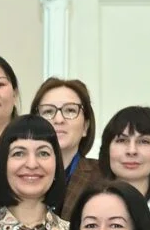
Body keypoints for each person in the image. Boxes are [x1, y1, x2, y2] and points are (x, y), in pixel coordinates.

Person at [32, 77, 103, 218]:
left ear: (85, 126)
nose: (59, 120)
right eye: (48, 112)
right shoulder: (19, 172)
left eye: (70, 110)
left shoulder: (103, 176)